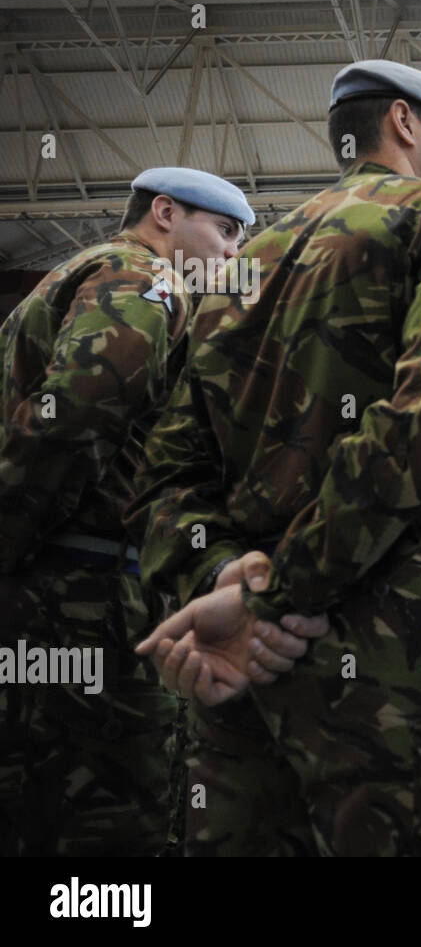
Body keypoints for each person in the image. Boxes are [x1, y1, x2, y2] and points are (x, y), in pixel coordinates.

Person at [130, 59, 421, 856]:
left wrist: (224, 580)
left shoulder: (234, 276)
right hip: (403, 639)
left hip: (240, 667)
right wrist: (282, 593)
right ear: (402, 122)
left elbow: (165, 476)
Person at [0, 167, 252, 855]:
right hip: (81, 595)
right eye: (224, 232)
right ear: (165, 213)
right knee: (116, 814)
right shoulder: (143, 280)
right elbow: (75, 415)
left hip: (46, 588)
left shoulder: (71, 278)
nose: (233, 255)